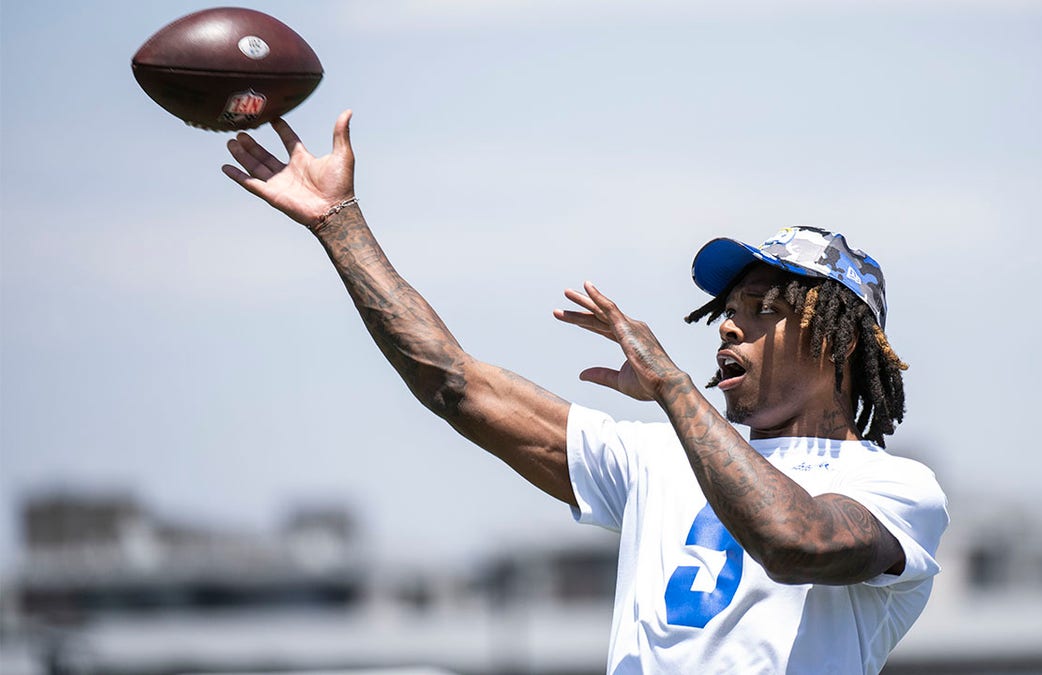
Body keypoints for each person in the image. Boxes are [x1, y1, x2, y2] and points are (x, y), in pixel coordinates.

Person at [221, 111, 949, 675]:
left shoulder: (895, 489)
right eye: (727, 309)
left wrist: (669, 386)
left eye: (764, 308)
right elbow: (452, 381)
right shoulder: (653, 457)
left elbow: (796, 542)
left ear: (839, 343)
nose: (730, 325)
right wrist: (339, 224)